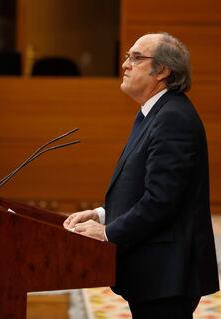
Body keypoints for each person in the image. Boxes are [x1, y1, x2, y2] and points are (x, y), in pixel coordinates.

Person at [63, 32, 219, 318]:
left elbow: (161, 200)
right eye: (127, 57)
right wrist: (101, 214)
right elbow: (141, 186)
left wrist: (107, 232)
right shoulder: (154, 112)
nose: (125, 65)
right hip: (157, 270)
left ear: (162, 71)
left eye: (136, 58)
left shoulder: (173, 118)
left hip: (168, 273)